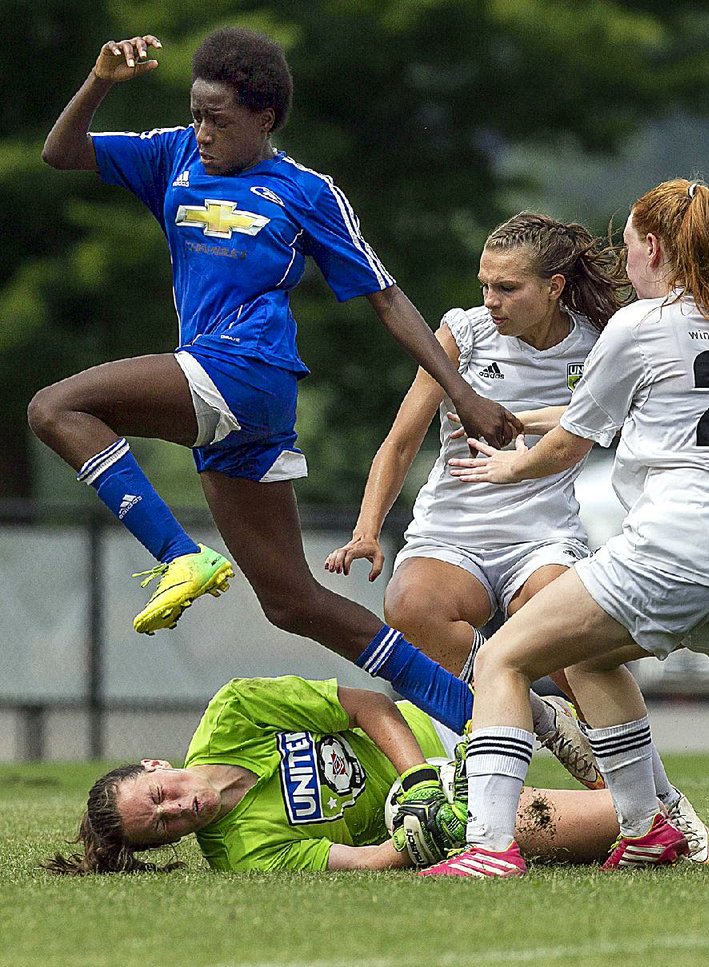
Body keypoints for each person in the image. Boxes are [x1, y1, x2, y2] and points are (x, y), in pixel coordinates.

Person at [29, 28, 519, 657]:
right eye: (196, 116)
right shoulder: (172, 156)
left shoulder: (307, 192)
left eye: (219, 120)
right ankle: (479, 701)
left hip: (245, 368)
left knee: (55, 408)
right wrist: (99, 81)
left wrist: (463, 394)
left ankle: (179, 554)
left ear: (264, 119)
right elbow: (61, 153)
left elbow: (386, 297)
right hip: (233, 398)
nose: (203, 132)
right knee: (293, 604)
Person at [323, 210, 709, 859]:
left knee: (582, 656)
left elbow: (637, 410)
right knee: (410, 603)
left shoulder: (599, 341)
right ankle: (539, 726)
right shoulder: (463, 333)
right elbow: (400, 442)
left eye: (506, 288)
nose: (491, 300)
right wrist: (368, 529)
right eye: (484, 284)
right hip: (452, 530)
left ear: (555, 287)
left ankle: (663, 808)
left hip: (544, 535)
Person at [424, 178, 709, 876]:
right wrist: (513, 419)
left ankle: (489, 847)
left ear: (653, 246)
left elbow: (571, 442)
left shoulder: (639, 324)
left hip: (678, 544)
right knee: (591, 659)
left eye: (627, 250)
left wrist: (507, 468)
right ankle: (648, 827)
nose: (623, 267)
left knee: (503, 658)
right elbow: (607, 409)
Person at [44, 675, 620, 875]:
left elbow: (369, 706)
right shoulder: (241, 854)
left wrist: (418, 781)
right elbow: (368, 861)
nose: (176, 811)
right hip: (446, 813)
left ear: (154, 766)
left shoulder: (235, 710)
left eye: (159, 796)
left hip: (435, 734)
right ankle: (657, 820)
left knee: (505, 644)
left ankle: (539, 716)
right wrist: (427, 832)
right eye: (163, 828)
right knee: (620, 827)